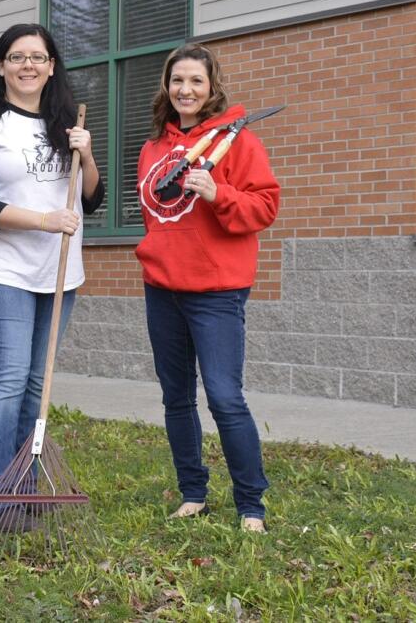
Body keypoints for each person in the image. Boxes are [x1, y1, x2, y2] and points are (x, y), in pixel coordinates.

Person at [0, 23, 104, 526]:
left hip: (60, 273)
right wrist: (42, 221)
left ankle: (24, 488)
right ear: (0, 66)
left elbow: (92, 198)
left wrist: (85, 154)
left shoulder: (66, 125)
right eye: (16, 57)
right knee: (10, 378)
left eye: (38, 57)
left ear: (52, 66)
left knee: (37, 384)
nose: (28, 66)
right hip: (3, 269)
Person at [134, 42, 280, 533]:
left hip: (216, 292)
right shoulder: (153, 148)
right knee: (176, 398)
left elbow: (265, 208)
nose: (185, 89)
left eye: (196, 80)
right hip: (163, 289)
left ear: (212, 87)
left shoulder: (237, 142)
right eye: (177, 80)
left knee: (223, 397)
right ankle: (193, 492)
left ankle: (251, 503)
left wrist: (220, 194)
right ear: (167, 87)